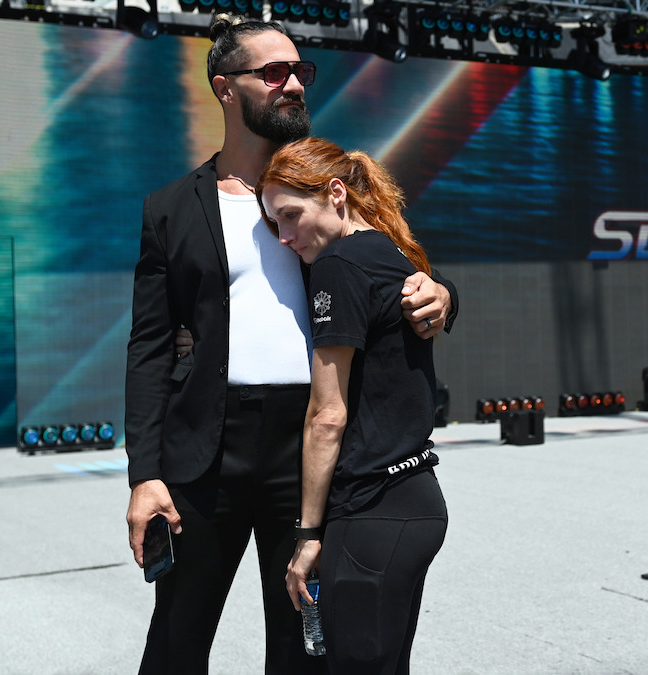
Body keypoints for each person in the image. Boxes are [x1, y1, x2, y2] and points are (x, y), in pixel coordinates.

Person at [124, 14, 458, 675]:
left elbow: (396, 258)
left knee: (305, 646)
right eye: (273, 72)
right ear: (226, 88)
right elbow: (149, 347)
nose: (294, 84)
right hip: (204, 454)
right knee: (175, 643)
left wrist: (443, 294)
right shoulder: (170, 208)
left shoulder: (317, 190)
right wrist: (144, 474)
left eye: (299, 71)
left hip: (310, 452)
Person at [257, 137, 449, 674]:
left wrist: (308, 536)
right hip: (411, 502)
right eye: (274, 223)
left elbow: (327, 415)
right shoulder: (392, 253)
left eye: (291, 215)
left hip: (371, 510)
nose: (286, 236)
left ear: (335, 193)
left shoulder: (338, 264)